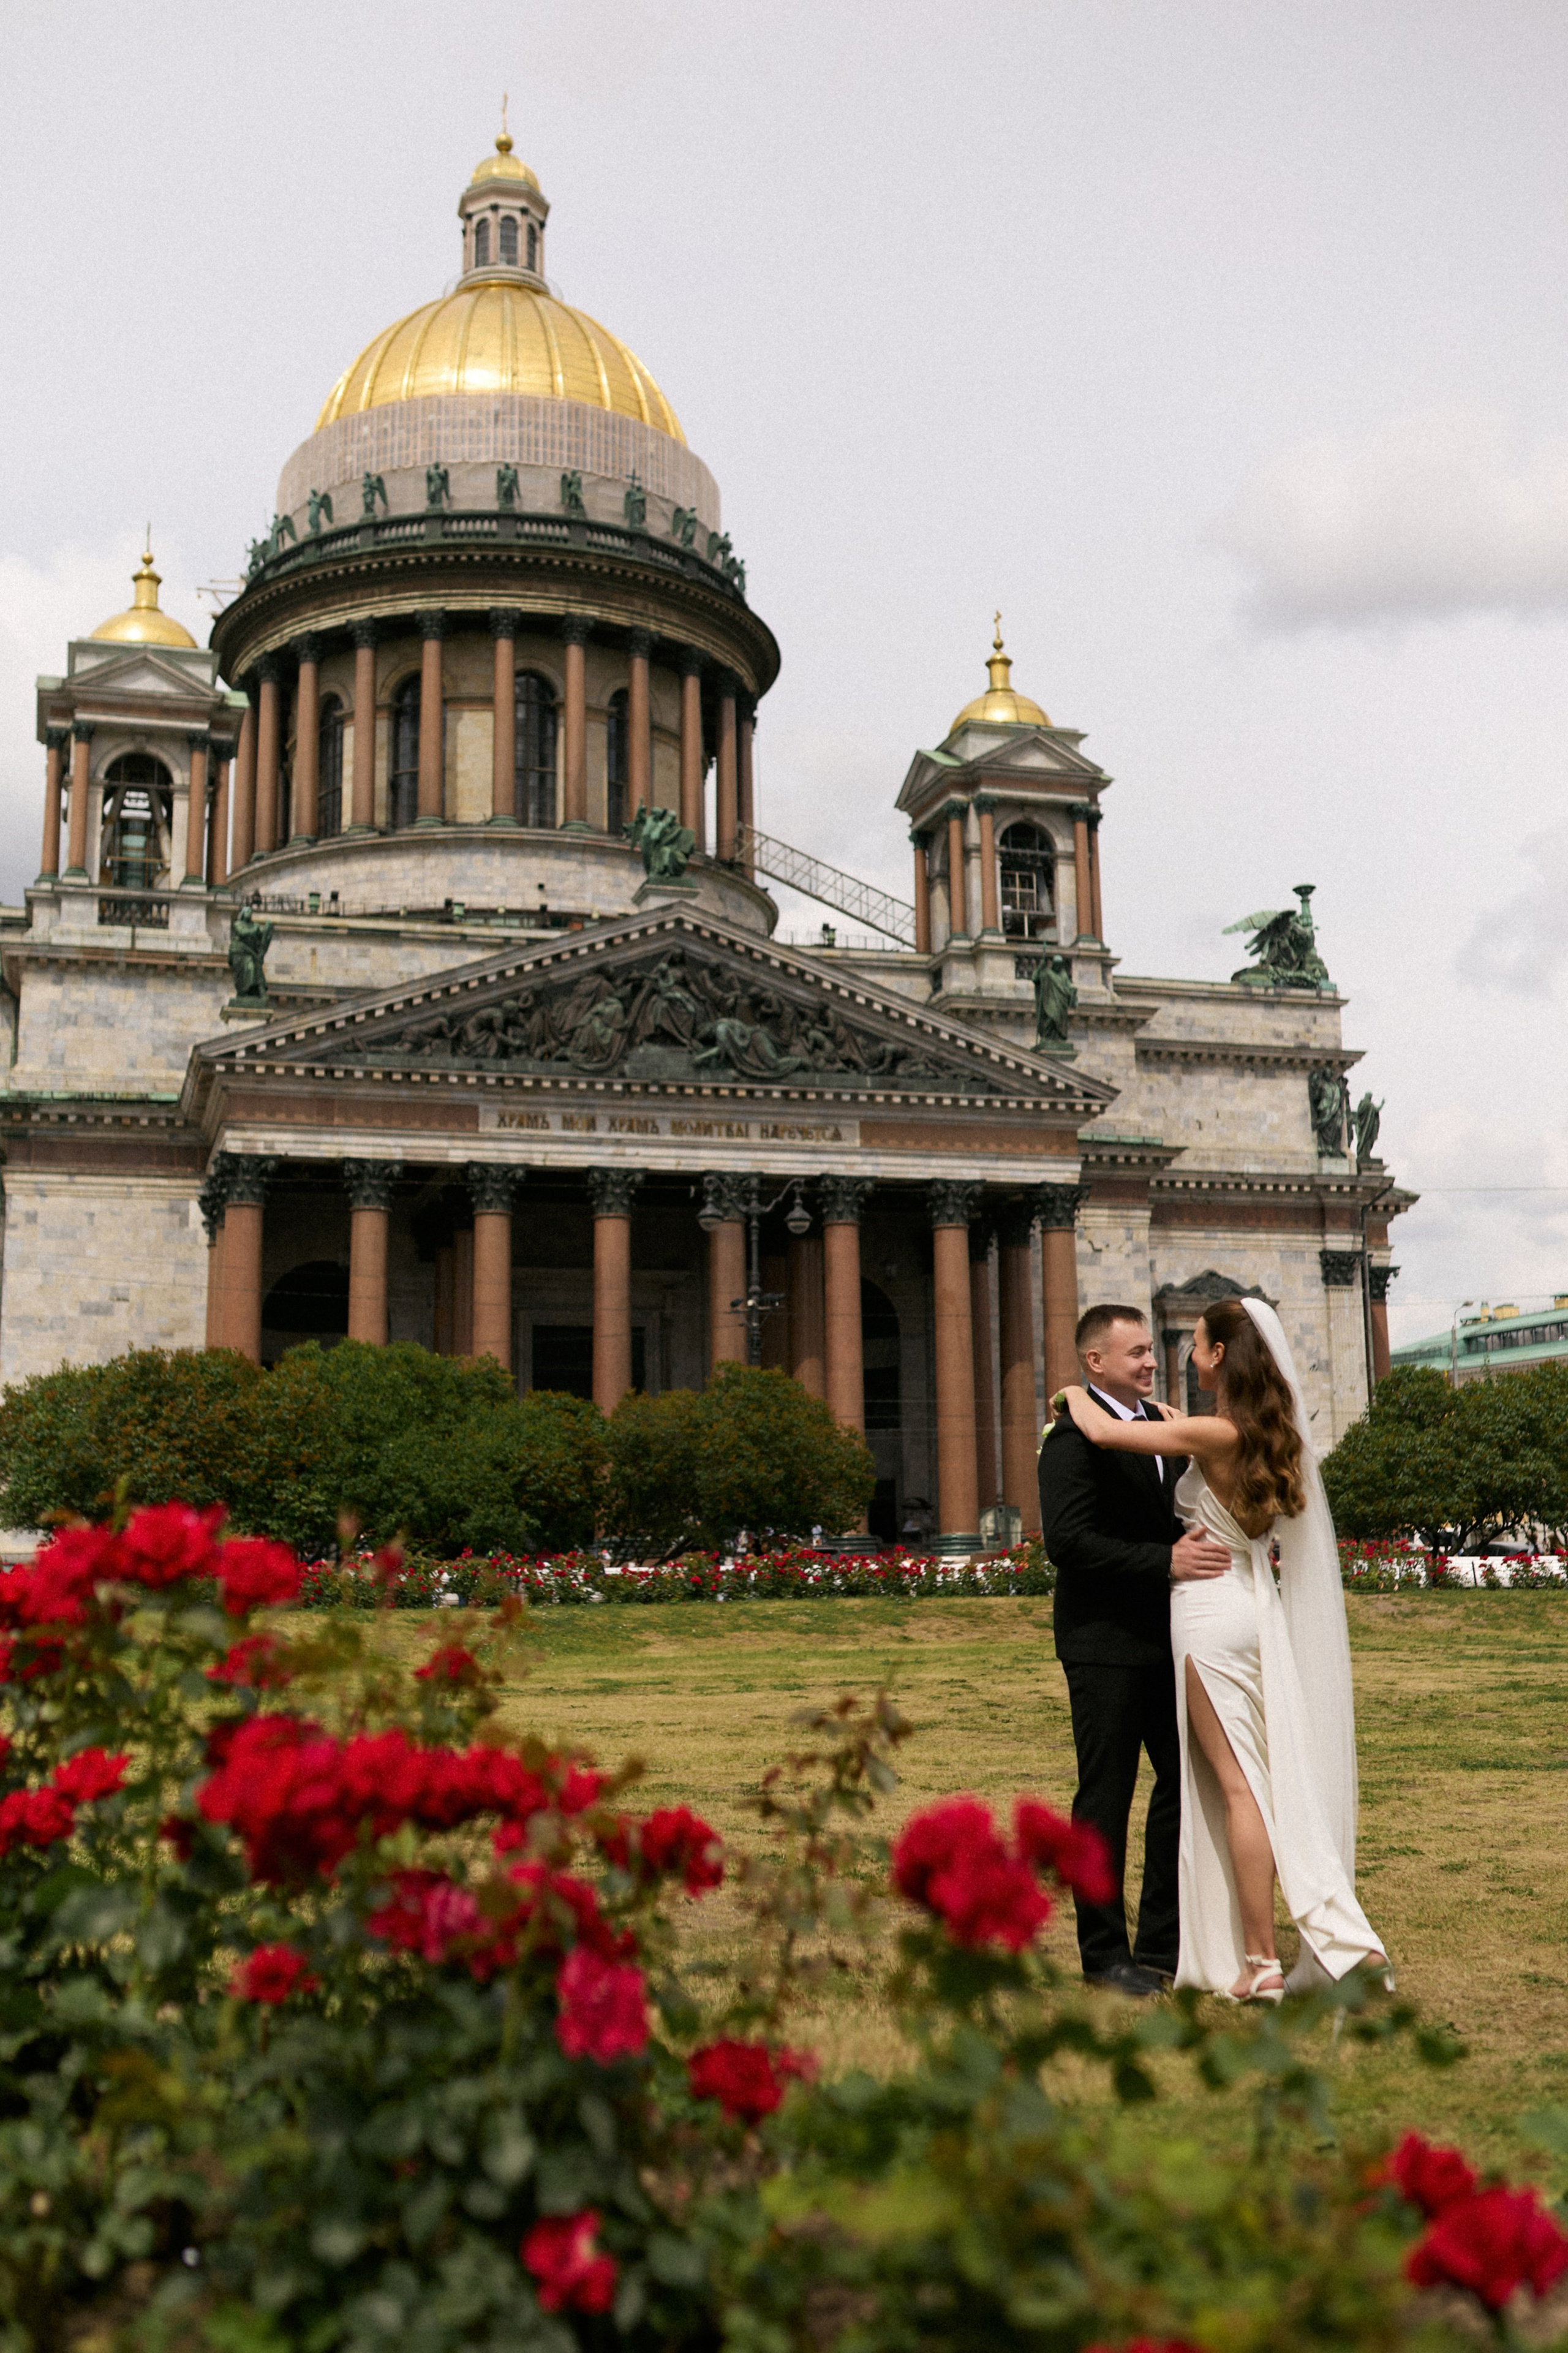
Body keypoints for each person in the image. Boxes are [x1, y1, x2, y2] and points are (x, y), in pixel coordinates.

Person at [1057, 1297, 1387, 2002]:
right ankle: (1188, 1944)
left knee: (1235, 1785)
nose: (1168, 1357)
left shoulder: (1205, 1432)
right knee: (1233, 1782)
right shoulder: (1255, 1431)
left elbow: (1105, 1434)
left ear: (1217, 1356)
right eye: (1140, 1351)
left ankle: (1260, 1959)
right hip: (1244, 1609)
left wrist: (1066, 1396)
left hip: (1206, 1618)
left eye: (1187, 1345)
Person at [1038, 1304, 1233, 1996]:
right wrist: (1164, 1563)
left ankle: (1161, 1940)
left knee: (1182, 1784)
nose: (1152, 1362)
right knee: (1106, 1795)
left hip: (1168, 1638)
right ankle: (1102, 1956)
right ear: (1095, 1363)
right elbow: (1067, 1543)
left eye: (1152, 1351)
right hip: (1102, 1642)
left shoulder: (1158, 1425)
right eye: (1137, 1354)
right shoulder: (1070, 1438)